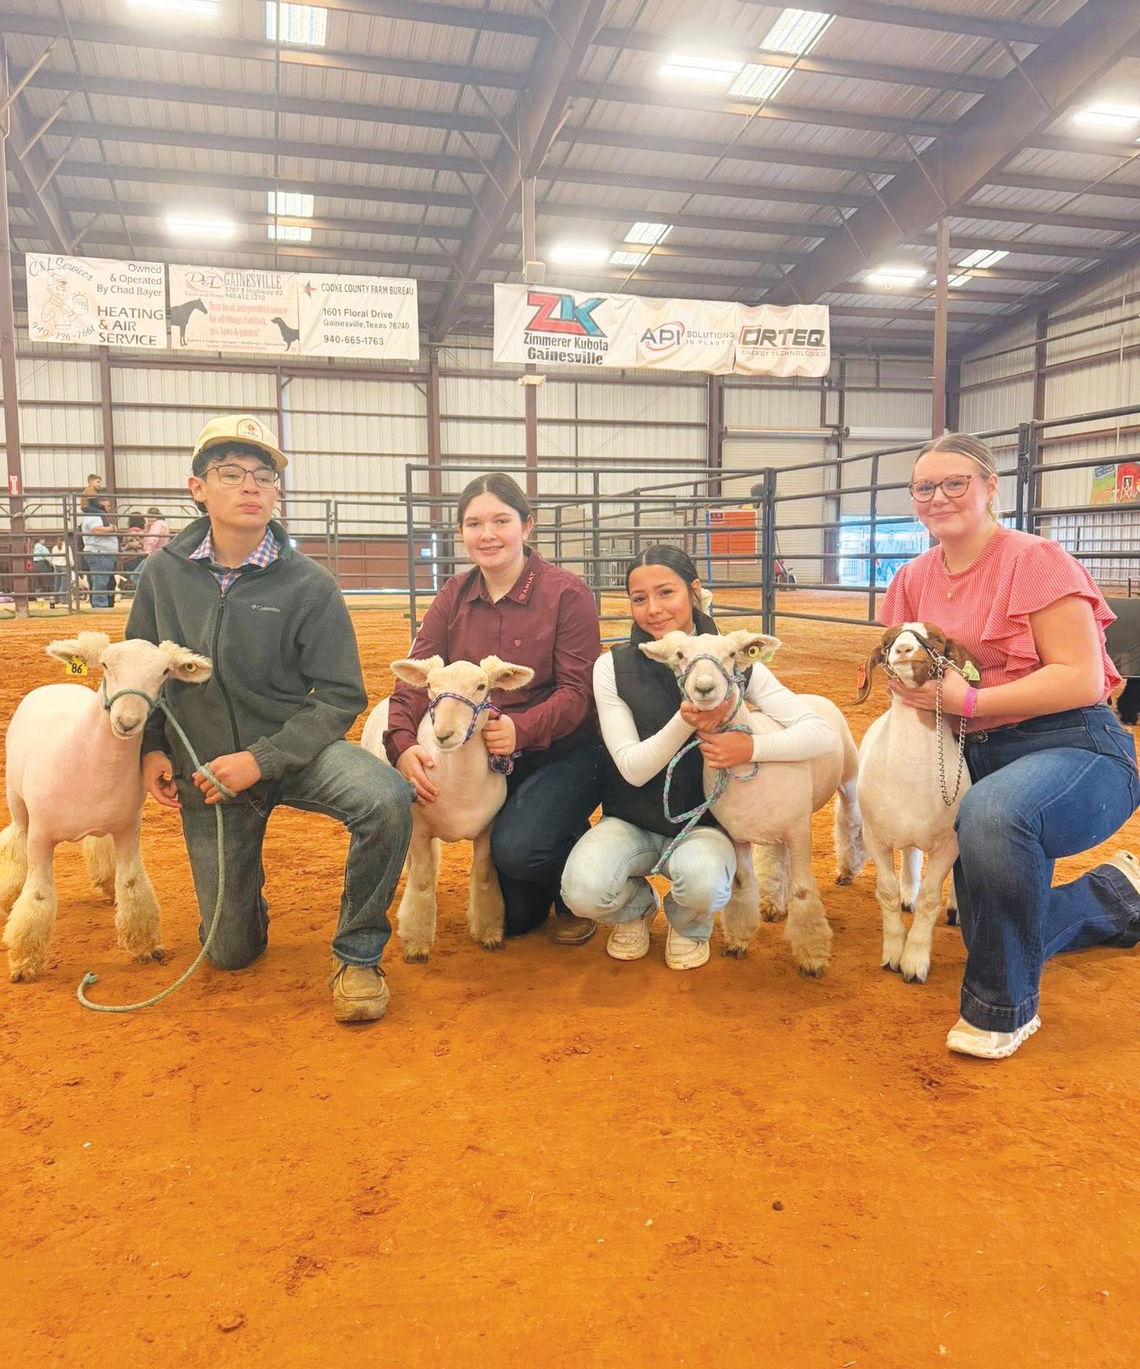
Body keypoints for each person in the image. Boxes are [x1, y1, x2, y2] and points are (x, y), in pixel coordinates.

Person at [125, 414, 414, 1024]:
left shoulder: (310, 584)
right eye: (230, 473)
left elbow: (339, 694)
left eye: (264, 475)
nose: (251, 485)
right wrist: (152, 747)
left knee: (386, 797)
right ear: (198, 487)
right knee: (229, 952)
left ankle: (359, 954)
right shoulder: (162, 575)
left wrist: (262, 759)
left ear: (277, 492)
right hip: (207, 770)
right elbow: (141, 665)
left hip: (293, 751)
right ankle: (240, 901)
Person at [878, 432, 1140, 1060]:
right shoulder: (911, 578)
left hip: (1072, 743)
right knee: (992, 929)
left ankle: (1001, 1010)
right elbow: (902, 674)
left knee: (994, 814)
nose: (938, 496)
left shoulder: (1035, 559)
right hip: (970, 756)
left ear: (991, 487)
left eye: (955, 482)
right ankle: (1116, 894)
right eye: (924, 487)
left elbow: (1081, 679)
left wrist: (967, 701)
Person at [560, 545, 837, 968]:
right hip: (632, 819)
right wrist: (686, 720)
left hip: (704, 826)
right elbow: (633, 769)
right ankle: (635, 911)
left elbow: (821, 732)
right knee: (582, 889)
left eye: (665, 592)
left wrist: (751, 747)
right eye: (639, 598)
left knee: (706, 883)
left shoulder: (735, 660)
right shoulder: (612, 667)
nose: (653, 609)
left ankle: (689, 923)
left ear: (693, 591)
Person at [384, 472, 603, 944]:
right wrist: (401, 745)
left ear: (527, 525)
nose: (487, 534)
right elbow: (416, 680)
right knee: (518, 918)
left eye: (501, 521)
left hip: (556, 752)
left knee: (520, 850)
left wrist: (521, 729)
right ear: (461, 532)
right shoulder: (453, 596)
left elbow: (577, 692)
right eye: (474, 523)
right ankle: (542, 848)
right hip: (483, 759)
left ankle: (579, 880)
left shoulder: (566, 594)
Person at [78, 499, 118, 609]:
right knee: (100, 580)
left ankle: (100, 603)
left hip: (101, 552)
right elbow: (96, 530)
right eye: (107, 505)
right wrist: (112, 528)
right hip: (99, 553)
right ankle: (100, 605)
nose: (109, 508)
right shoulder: (94, 516)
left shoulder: (97, 516)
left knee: (101, 580)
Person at [119, 512, 147, 590]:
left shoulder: (130, 531)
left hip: (128, 558)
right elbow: (134, 544)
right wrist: (142, 546)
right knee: (138, 578)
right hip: (135, 557)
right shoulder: (136, 531)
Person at [31, 537, 54, 603]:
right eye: (43, 540)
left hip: (35, 564)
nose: (44, 541)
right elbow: (48, 557)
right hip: (42, 564)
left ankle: (37, 596)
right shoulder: (42, 547)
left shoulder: (34, 547)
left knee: (38, 580)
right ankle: (52, 593)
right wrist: (52, 564)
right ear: (40, 540)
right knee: (49, 578)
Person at [50, 537, 68, 605]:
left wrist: (54, 565)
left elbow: (52, 558)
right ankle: (63, 599)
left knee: (57, 583)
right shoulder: (67, 547)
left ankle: (56, 599)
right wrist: (71, 565)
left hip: (56, 567)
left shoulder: (54, 548)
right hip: (64, 566)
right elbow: (70, 558)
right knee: (64, 584)